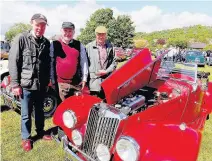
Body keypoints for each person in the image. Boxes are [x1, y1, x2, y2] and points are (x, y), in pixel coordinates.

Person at [8, 13, 52, 152]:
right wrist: (15, 84)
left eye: (43, 25)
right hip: (26, 84)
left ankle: (40, 131)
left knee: (39, 111)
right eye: (38, 24)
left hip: (40, 85)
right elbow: (13, 62)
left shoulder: (46, 42)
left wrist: (47, 81)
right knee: (26, 113)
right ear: (32, 23)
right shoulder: (21, 39)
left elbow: (46, 64)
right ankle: (26, 138)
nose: (40, 28)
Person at [50, 22, 88, 101]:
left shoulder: (79, 45)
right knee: (64, 108)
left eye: (70, 31)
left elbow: (84, 62)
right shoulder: (54, 44)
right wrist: (52, 79)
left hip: (76, 84)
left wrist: (84, 78)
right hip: (61, 84)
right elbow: (51, 63)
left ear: (74, 32)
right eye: (65, 30)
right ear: (61, 31)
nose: (67, 33)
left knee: (76, 108)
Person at [86, 26, 116, 99]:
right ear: (96, 34)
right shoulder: (88, 47)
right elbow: (84, 65)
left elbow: (114, 62)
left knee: (107, 106)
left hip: (107, 82)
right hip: (93, 83)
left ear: (106, 35)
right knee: (94, 105)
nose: (101, 36)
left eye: (103, 34)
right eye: (99, 34)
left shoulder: (110, 46)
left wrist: (106, 71)